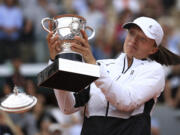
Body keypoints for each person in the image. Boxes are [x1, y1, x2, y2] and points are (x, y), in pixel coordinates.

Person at [46, 16, 180, 135]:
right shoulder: (102, 65)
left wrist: (95, 68)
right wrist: (56, 63)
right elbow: (68, 107)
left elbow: (126, 101)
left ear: (153, 49)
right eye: (132, 34)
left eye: (142, 39)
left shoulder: (154, 71)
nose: (133, 41)